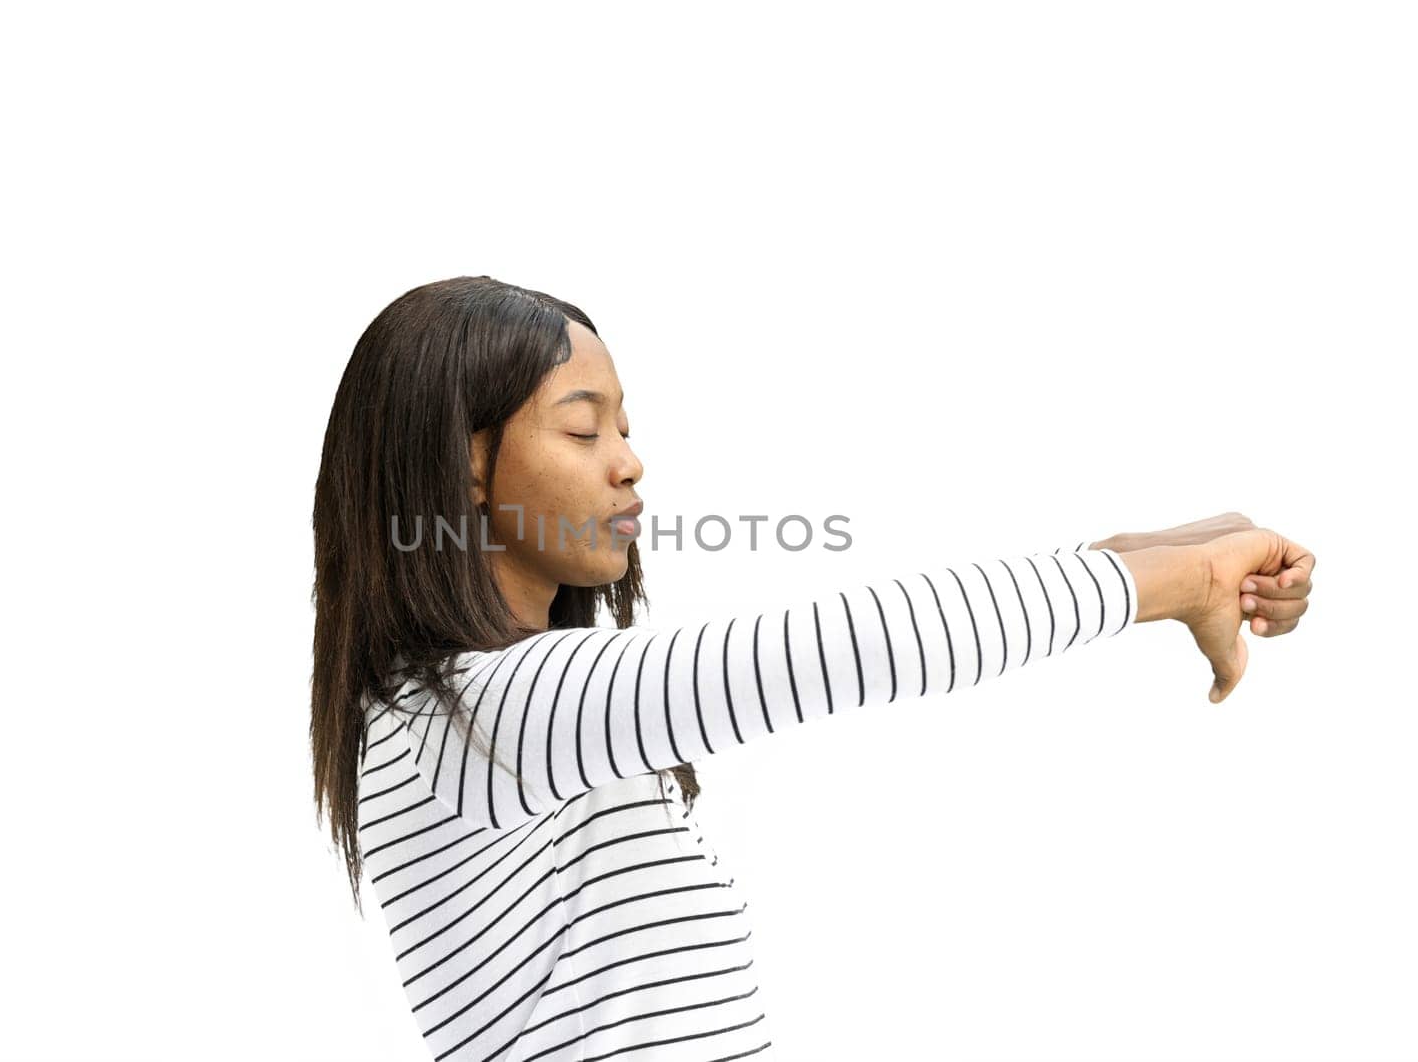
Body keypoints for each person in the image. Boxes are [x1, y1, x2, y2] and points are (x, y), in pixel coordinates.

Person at [310, 275, 1315, 1062]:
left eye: (624, 424)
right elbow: (859, 643)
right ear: (467, 461)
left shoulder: (514, 714)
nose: (628, 460)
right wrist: (1172, 578)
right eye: (583, 427)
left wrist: (1179, 548)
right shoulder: (473, 714)